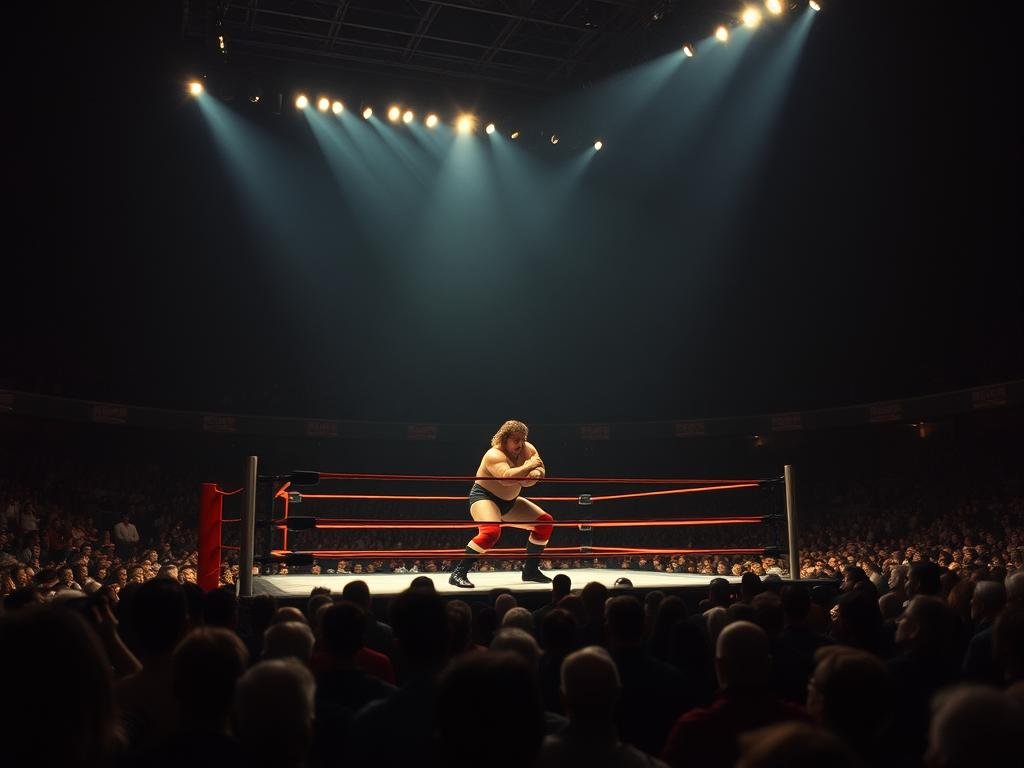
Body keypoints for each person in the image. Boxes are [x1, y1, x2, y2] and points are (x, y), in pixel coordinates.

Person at [449, 420, 554, 588]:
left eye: (522, 439)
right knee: (490, 532)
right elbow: (506, 478)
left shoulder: (528, 449)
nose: (520, 444)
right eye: (516, 440)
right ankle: (458, 573)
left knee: (544, 522)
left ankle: (531, 570)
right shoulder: (493, 454)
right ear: (504, 439)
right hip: (485, 497)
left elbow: (540, 469)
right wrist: (528, 467)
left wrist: (533, 473)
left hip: (510, 502)